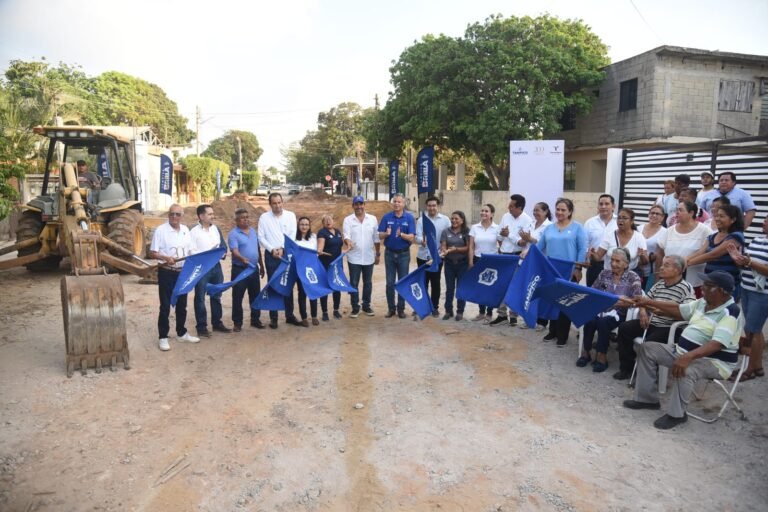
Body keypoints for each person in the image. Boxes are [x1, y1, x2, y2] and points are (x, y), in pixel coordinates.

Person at [625, 271, 744, 430]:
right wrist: (648, 302)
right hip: (683, 352)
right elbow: (679, 309)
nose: (702, 287)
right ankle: (647, 400)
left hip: (715, 362)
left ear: (721, 291)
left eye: (708, 286)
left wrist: (689, 356)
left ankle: (677, 415)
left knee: (687, 369)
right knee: (647, 348)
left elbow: (717, 344)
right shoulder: (703, 302)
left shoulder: (730, 312)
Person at [613, 255, 695, 380]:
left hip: (670, 327)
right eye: (662, 265)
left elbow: (687, 312)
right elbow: (645, 301)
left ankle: (648, 376)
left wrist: (665, 312)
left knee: (649, 342)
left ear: (677, 270)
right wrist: (643, 312)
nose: (661, 268)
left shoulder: (686, 288)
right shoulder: (659, 284)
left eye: (666, 265)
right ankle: (627, 368)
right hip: (652, 322)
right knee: (624, 328)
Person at [576, 248, 643, 372]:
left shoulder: (633, 277)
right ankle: (586, 352)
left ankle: (602, 356)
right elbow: (593, 291)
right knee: (590, 320)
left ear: (626, 264)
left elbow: (637, 300)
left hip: (620, 312)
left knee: (603, 322)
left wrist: (620, 302)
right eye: (612, 260)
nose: (613, 264)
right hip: (601, 309)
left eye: (617, 261)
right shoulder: (604, 274)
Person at [537, 198, 588, 346]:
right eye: (558, 209)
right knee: (552, 301)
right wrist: (527, 253)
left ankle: (562, 335)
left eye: (563, 210)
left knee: (565, 302)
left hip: (569, 271)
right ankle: (552, 331)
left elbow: (581, 249)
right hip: (551, 271)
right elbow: (540, 246)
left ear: (570, 211)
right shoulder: (549, 228)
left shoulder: (578, 228)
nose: (559, 212)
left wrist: (578, 269)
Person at [149, 204, 199, 351]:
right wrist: (165, 257)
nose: (175, 217)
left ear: (182, 216)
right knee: (165, 306)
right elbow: (153, 252)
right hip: (166, 271)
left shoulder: (185, 230)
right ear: (168, 215)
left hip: (182, 273)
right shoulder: (161, 230)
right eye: (172, 214)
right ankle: (163, 337)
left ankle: (181, 333)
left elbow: (191, 249)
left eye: (178, 214)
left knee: (182, 305)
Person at [727, 216, 767, 381]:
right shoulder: (757, 240)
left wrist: (750, 262)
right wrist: (739, 259)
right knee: (750, 329)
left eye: (767, 221)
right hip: (747, 288)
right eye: (765, 220)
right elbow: (747, 262)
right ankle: (757, 366)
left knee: (754, 331)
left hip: (762, 293)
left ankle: (749, 369)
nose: (764, 222)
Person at [258, 192, 300, 329]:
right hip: (271, 256)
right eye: (274, 203)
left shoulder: (290, 216)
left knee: (288, 285)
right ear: (270, 204)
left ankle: (290, 315)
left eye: (279, 202)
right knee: (273, 285)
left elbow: (292, 234)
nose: (277, 205)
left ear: (283, 202)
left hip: (287, 254)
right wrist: (272, 249)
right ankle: (274, 318)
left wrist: (283, 248)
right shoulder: (264, 217)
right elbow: (261, 237)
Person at [491, 194, 534, 326]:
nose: (508, 208)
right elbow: (499, 235)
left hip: (517, 256)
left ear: (519, 207)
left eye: (511, 206)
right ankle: (502, 314)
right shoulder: (505, 216)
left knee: (515, 286)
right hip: (504, 254)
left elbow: (522, 243)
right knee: (502, 285)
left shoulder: (528, 221)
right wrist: (504, 235)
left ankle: (514, 315)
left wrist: (508, 235)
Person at [687, 204, 745, 301]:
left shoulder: (736, 236)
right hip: (710, 284)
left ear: (733, 219)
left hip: (726, 287)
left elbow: (712, 255)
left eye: (722, 216)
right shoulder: (712, 236)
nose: (717, 218)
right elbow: (700, 252)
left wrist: (687, 263)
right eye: (716, 216)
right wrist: (683, 260)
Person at [655, 201, 712, 297]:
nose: (677, 213)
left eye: (680, 210)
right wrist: (658, 276)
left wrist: (686, 261)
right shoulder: (669, 230)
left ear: (691, 213)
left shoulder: (704, 230)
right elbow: (660, 253)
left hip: (694, 282)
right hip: (669, 281)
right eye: (676, 210)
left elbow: (707, 253)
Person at [190, 204, 231, 337]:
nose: (213, 216)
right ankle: (201, 327)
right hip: (202, 268)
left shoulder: (216, 229)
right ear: (201, 216)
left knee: (216, 294)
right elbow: (191, 251)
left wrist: (222, 253)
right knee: (200, 298)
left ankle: (217, 323)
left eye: (213, 214)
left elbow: (223, 246)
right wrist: (208, 254)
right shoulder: (193, 232)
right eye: (210, 214)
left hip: (216, 267)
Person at [379, 193, 416, 319]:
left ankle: (401, 309)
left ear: (404, 204)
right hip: (389, 253)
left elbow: (412, 237)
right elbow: (380, 235)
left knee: (402, 282)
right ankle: (391, 309)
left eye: (399, 202)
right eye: (395, 201)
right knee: (390, 283)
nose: (396, 204)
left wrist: (402, 235)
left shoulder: (409, 218)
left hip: (403, 254)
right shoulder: (386, 217)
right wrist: (386, 234)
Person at [228, 208, 265, 332]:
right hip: (240, 269)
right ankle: (237, 323)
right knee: (237, 297)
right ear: (237, 220)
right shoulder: (233, 234)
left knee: (255, 295)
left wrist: (261, 265)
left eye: (247, 217)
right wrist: (242, 258)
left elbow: (258, 249)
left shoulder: (253, 232)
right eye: (243, 218)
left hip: (253, 269)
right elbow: (234, 251)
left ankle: (255, 319)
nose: (246, 219)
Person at [343, 196, 380, 318]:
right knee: (354, 283)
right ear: (353, 206)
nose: (359, 207)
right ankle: (355, 307)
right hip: (354, 257)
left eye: (361, 204)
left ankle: (366, 305)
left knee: (368, 283)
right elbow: (346, 235)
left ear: (364, 205)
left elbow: (376, 238)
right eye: (356, 204)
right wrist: (348, 242)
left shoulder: (373, 219)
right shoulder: (348, 220)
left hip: (369, 257)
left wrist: (378, 254)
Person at [519, 201, 553, 331]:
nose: (535, 213)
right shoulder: (530, 224)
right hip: (528, 261)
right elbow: (524, 242)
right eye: (534, 210)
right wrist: (523, 240)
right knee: (529, 290)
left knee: (541, 292)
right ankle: (528, 318)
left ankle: (542, 322)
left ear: (545, 212)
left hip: (542, 263)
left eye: (538, 210)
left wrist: (530, 239)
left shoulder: (549, 226)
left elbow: (545, 244)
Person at [415, 196, 450, 318]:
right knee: (423, 282)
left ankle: (434, 307)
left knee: (435, 283)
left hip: (438, 256)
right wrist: (422, 241)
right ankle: (422, 305)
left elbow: (448, 235)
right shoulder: (421, 220)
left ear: (438, 206)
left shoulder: (445, 220)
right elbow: (417, 237)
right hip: (423, 256)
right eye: (429, 205)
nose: (432, 208)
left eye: (434, 205)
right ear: (426, 206)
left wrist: (444, 246)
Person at [468, 203, 500, 322]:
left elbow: (501, 246)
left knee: (491, 287)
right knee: (479, 287)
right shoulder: (475, 227)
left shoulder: (497, 228)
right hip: (478, 259)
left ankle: (489, 313)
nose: (483, 213)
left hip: (492, 260)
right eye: (482, 211)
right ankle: (481, 312)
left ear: (492, 214)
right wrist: (471, 262)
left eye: (486, 211)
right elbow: (471, 246)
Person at [593, 207, 648, 272]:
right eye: (619, 218)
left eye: (624, 218)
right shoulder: (610, 235)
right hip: (609, 275)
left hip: (629, 276)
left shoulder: (639, 237)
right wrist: (592, 254)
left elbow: (645, 262)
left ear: (632, 221)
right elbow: (598, 256)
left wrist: (642, 256)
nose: (621, 220)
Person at [440, 210, 470, 321]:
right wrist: (445, 250)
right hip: (449, 264)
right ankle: (448, 311)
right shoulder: (445, 231)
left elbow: (468, 248)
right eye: (452, 218)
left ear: (462, 220)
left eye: (456, 219)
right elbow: (443, 245)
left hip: (463, 264)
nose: (453, 221)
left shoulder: (467, 231)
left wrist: (456, 249)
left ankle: (460, 311)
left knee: (461, 288)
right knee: (449, 288)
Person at [584, 194, 617, 286]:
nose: (603, 206)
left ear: (613, 206)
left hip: (614, 266)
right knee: (592, 294)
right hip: (595, 265)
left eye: (607, 204)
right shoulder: (590, 222)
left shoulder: (619, 222)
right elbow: (584, 244)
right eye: (601, 204)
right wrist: (587, 256)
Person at [317, 214, 344, 321]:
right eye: (325, 220)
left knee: (337, 287)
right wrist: (319, 250)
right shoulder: (322, 232)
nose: (328, 221)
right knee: (325, 288)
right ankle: (324, 312)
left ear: (333, 221)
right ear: (323, 223)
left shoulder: (337, 232)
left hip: (337, 264)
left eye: (330, 219)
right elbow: (320, 246)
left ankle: (336, 310)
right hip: (325, 264)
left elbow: (341, 245)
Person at [294, 216, 319, 327]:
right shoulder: (294, 238)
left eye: (306, 224)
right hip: (299, 269)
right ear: (298, 226)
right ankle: (304, 317)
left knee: (313, 291)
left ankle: (314, 316)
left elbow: (317, 253)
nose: (304, 226)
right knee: (302, 293)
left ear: (309, 226)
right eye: (302, 224)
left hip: (311, 269)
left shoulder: (314, 237)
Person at [637, 204, 666, 290]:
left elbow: (661, 254)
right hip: (636, 268)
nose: (654, 215)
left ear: (663, 217)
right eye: (652, 213)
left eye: (657, 214)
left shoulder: (665, 232)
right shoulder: (639, 228)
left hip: (652, 271)